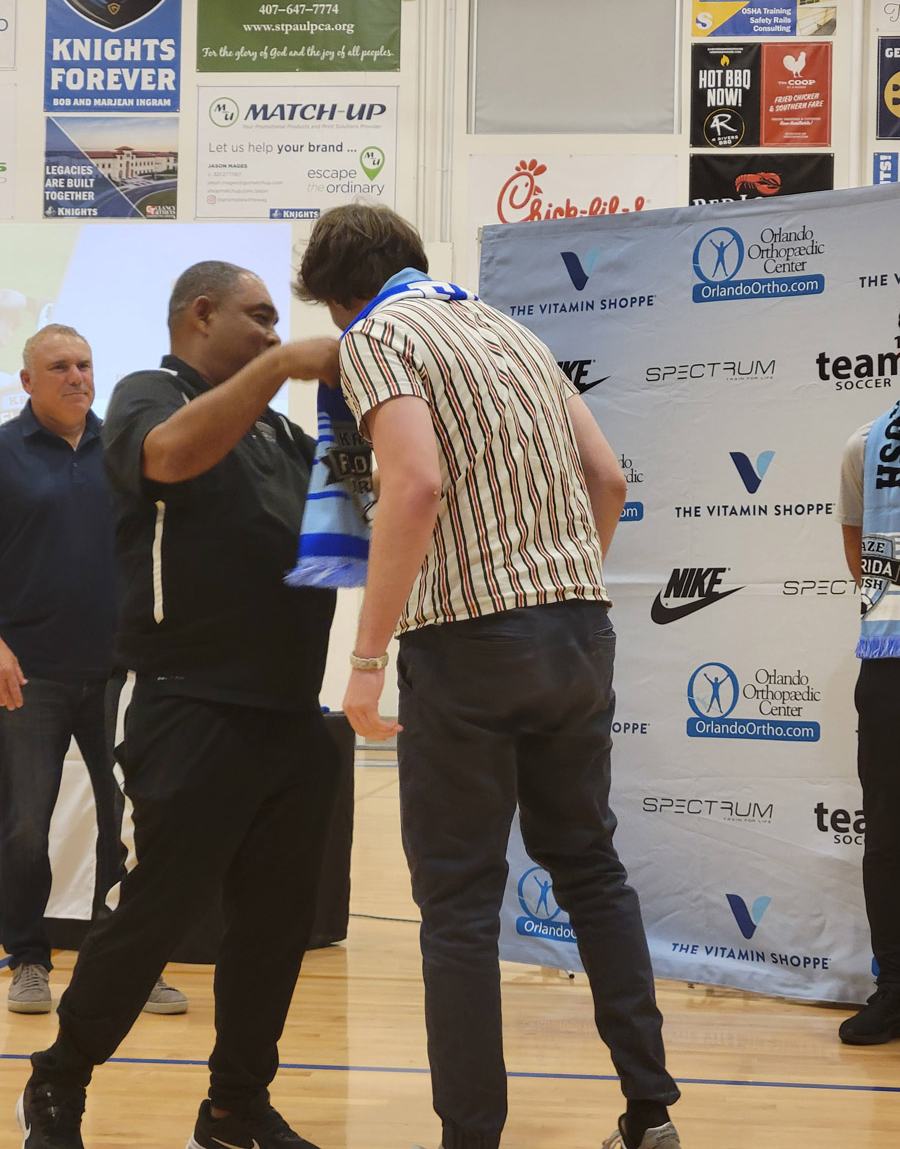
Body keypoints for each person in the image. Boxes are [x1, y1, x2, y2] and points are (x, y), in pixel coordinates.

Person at [295, 205, 682, 1149]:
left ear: (341, 297)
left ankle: (471, 1137)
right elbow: (607, 478)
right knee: (591, 870)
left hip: (468, 643)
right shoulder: (514, 330)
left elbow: (415, 485)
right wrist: (558, 589)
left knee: (460, 905)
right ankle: (650, 1112)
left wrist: (365, 661)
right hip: (578, 628)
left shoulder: (378, 334)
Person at [19, 263, 341, 1149]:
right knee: (155, 913)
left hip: (291, 711)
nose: (275, 333)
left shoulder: (283, 434)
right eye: (259, 317)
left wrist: (375, 426)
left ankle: (234, 1108)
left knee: (273, 930)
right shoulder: (148, 393)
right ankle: (59, 1080)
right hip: (189, 701)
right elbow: (167, 458)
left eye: (278, 325)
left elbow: (348, 532)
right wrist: (283, 367)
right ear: (202, 314)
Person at [0, 323, 186, 1019]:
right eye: (59, 367)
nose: (77, 376)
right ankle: (28, 957)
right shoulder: (4, 452)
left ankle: (127, 967)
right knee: (24, 826)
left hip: (121, 671)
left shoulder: (126, 449)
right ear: (27, 381)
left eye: (84, 364)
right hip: (30, 675)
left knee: (128, 826)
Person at [836, 400, 900, 1045]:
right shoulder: (867, 444)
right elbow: (861, 556)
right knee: (887, 836)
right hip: (891, 660)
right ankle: (897, 991)